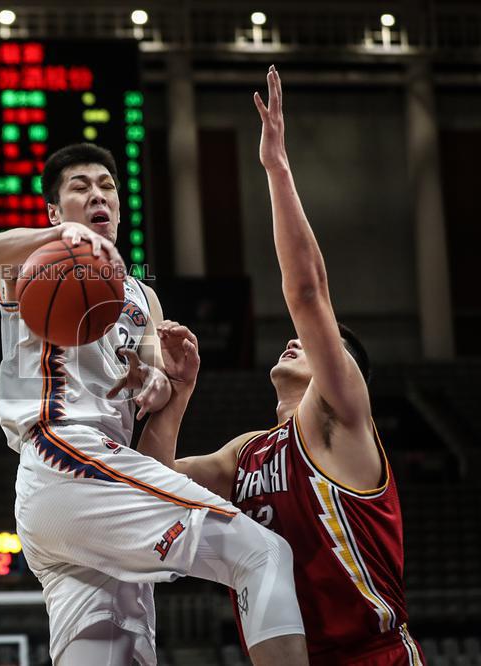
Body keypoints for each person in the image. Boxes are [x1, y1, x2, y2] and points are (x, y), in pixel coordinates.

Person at [0, 143, 308, 666]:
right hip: (66, 457)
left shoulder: (143, 298)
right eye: (80, 187)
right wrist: (60, 238)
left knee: (117, 655)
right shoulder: (33, 263)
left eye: (106, 186)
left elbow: (151, 392)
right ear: (55, 210)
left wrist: (168, 385)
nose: (97, 195)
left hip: (93, 488)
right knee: (263, 553)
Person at [137, 66, 424, 665]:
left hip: (373, 657)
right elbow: (154, 484)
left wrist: (276, 167)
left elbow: (309, 296)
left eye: (329, 345)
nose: (302, 342)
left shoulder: (340, 422)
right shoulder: (247, 454)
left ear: (348, 375)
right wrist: (181, 391)